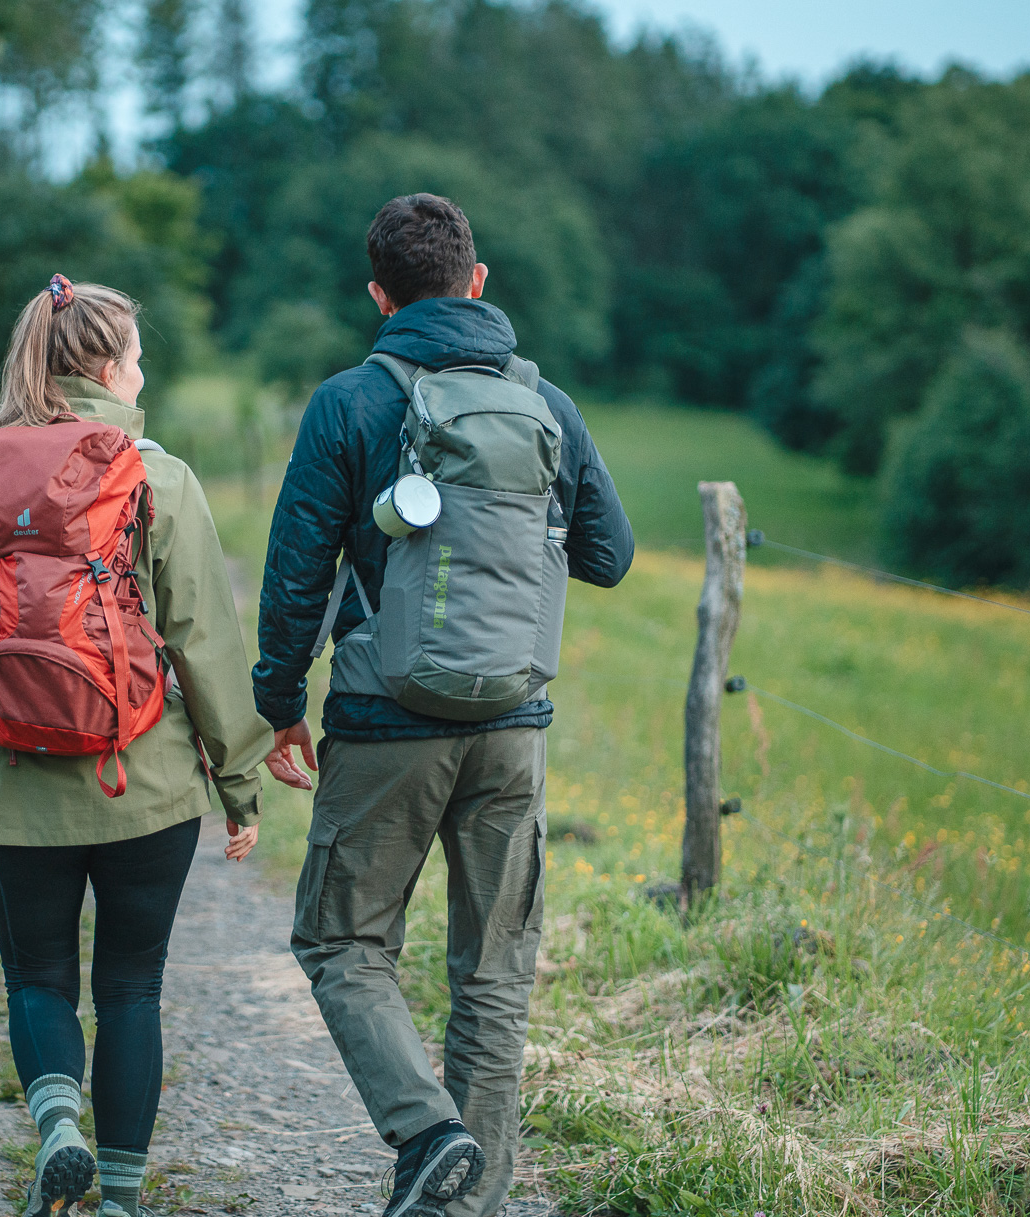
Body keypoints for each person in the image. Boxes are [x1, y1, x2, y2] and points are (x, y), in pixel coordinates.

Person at [252, 196, 634, 1217]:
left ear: (378, 296)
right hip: (512, 728)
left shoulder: (348, 401)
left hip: (384, 720)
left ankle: (428, 1134)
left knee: (343, 943)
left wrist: (277, 698)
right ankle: (461, 1199)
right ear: (478, 279)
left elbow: (297, 569)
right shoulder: (548, 406)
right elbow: (609, 556)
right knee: (493, 970)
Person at [0, 275, 302, 1217]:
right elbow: (206, 642)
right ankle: (123, 1201)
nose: (143, 374)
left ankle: (58, 1124)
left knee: (37, 977)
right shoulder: (160, 477)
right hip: (144, 784)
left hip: (18, 779)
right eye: (137, 357)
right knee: (132, 989)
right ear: (106, 365)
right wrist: (238, 783)